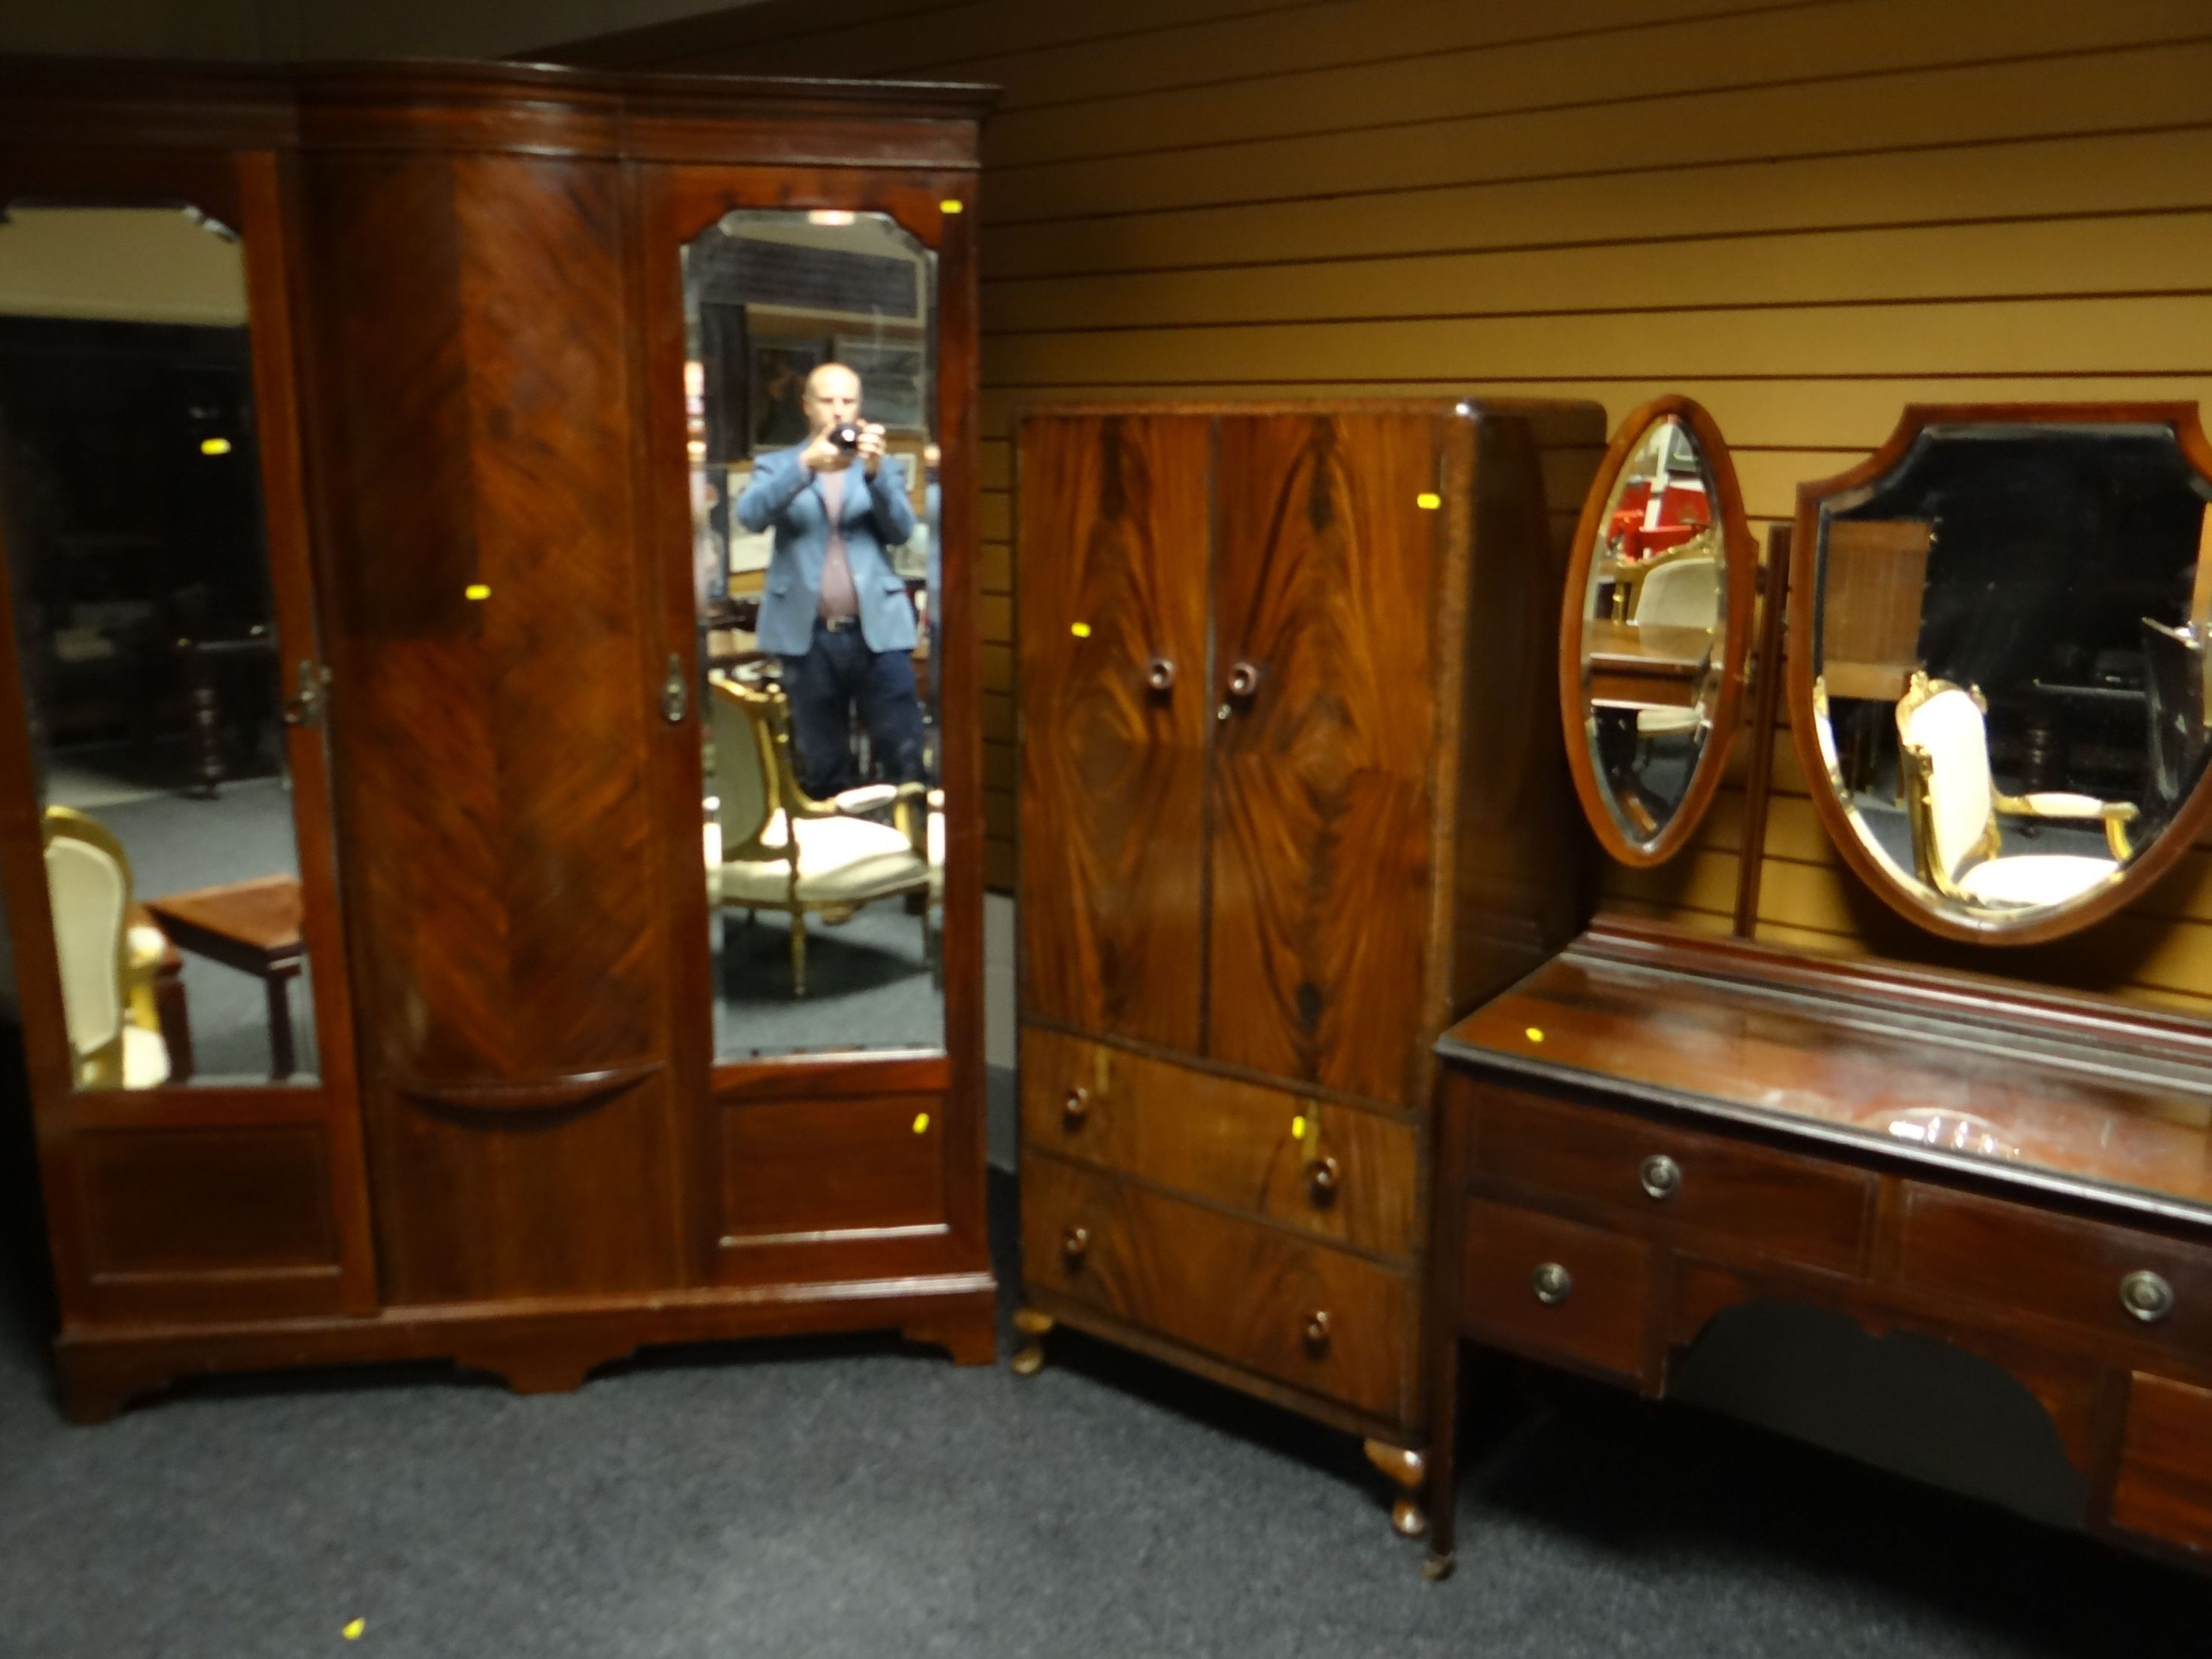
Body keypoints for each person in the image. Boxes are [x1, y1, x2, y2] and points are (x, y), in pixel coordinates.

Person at [735, 361, 923, 800]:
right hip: (808, 638)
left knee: (903, 750)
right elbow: (750, 516)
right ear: (807, 406)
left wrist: (875, 475)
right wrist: (805, 465)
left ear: (859, 407)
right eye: (828, 401)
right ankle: (837, 856)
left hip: (878, 634)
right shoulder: (778, 465)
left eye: (848, 401)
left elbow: (901, 531)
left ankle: (908, 848)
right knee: (822, 761)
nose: (839, 411)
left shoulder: (882, 468)